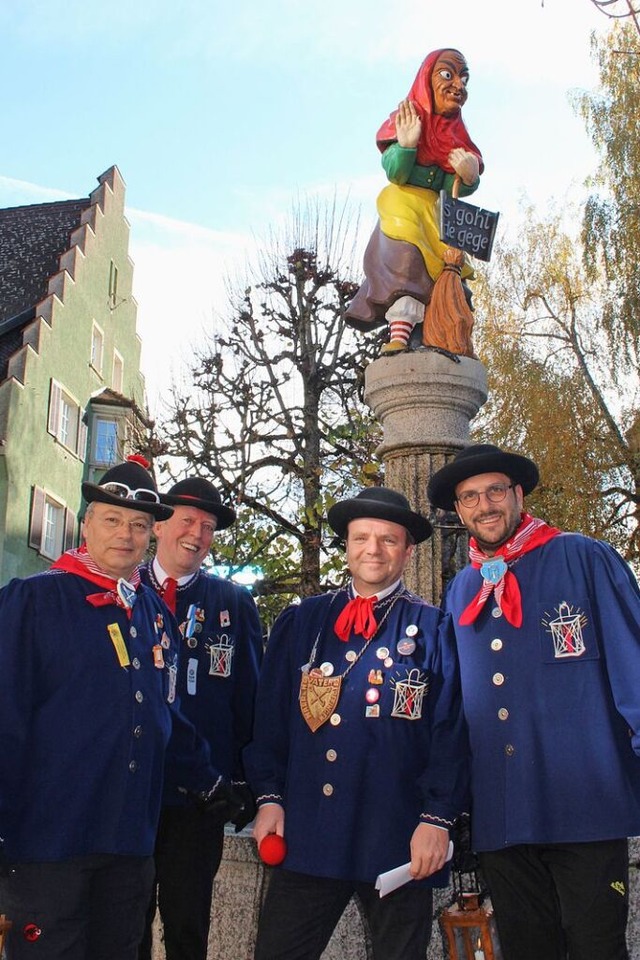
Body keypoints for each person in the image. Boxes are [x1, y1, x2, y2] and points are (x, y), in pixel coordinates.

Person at [0, 457, 231, 960]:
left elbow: (163, 712)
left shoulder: (150, 612)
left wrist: (209, 778)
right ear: (86, 525)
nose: (125, 535)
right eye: (111, 520)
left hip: (128, 844)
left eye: (139, 525)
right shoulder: (32, 601)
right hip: (49, 845)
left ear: (152, 532)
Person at [427, 443, 640, 960]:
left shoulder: (584, 557)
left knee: (597, 948)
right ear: (459, 511)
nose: (485, 506)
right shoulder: (461, 590)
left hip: (586, 805)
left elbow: (634, 665)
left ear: (518, 494)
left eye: (495, 491)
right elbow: (454, 709)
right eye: (469, 497)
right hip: (504, 815)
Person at [245, 487, 469, 960]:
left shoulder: (433, 630)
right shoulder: (303, 622)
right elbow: (269, 725)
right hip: (309, 831)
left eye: (388, 540)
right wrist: (268, 797)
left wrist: (437, 818)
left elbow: (450, 733)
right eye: (362, 537)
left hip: (398, 835)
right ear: (346, 545)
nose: (373, 549)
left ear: (408, 550)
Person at [138, 477, 263, 960]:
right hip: (133, 789)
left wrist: (245, 781)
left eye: (208, 526)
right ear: (160, 525)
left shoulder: (232, 603)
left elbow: (248, 698)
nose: (196, 533)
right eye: (187, 520)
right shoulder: (127, 590)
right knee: (126, 919)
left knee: (188, 922)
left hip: (199, 795)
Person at [346, 48, 484, 354]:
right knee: (405, 265)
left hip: (437, 211)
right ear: (427, 79)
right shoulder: (407, 119)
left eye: (464, 78)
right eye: (448, 75)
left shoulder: (455, 133)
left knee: (445, 277)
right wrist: (407, 146)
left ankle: (436, 333)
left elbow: (454, 186)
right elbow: (395, 172)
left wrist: (468, 175)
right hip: (404, 205)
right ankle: (400, 335)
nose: (458, 86)